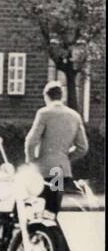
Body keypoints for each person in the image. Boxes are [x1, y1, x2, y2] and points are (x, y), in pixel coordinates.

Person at [24, 81, 89, 215]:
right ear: (62, 96)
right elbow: (83, 147)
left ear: (46, 96)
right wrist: (65, 157)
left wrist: (31, 162)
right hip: (60, 170)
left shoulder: (44, 113)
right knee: (53, 210)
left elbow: (31, 141)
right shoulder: (75, 116)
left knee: (34, 209)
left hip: (43, 171)